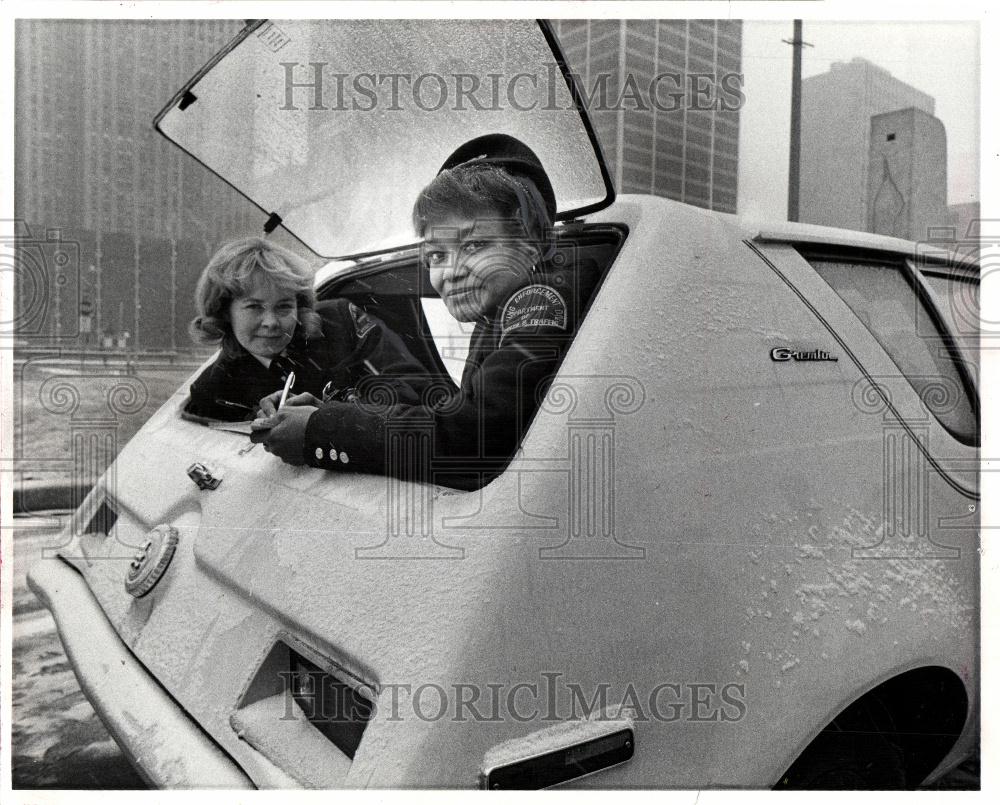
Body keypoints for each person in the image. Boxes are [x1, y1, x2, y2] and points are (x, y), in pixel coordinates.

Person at [253, 135, 590, 490]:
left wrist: (321, 430)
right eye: (436, 256)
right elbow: (465, 418)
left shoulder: (538, 301)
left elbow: (475, 436)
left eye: (473, 244)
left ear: (532, 245)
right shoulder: (497, 313)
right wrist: (325, 413)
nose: (450, 271)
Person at [186, 237, 429, 422]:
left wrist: (332, 414)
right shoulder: (213, 390)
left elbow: (417, 390)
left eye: (283, 306)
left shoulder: (344, 323)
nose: (270, 322)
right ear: (224, 312)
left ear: (300, 306)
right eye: (254, 307)